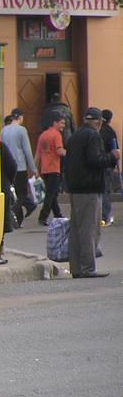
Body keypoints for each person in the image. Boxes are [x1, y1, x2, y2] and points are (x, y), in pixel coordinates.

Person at [64, 107, 120, 278]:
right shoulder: (93, 135)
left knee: (76, 229)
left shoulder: (75, 135)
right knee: (89, 228)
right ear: (99, 122)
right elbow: (96, 159)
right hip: (89, 187)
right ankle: (87, 267)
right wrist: (112, 157)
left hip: (75, 187)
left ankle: (76, 267)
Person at [0, 108, 37, 226]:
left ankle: (18, 220)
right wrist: (33, 168)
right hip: (20, 167)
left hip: (6, 166)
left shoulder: (4, 130)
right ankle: (13, 217)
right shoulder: (22, 130)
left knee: (12, 192)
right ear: (20, 118)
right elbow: (27, 150)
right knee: (20, 194)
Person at [33, 113, 66, 226]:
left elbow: (38, 153)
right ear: (55, 122)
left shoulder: (43, 135)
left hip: (45, 168)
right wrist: (71, 153)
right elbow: (60, 151)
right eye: (62, 123)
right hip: (54, 168)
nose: (63, 126)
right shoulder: (56, 135)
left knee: (52, 193)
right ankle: (43, 216)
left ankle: (58, 215)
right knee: (51, 194)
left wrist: (35, 168)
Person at [0, 141, 18, 265]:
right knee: (0, 222)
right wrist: (10, 181)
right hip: (1, 185)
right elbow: (12, 165)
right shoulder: (0, 145)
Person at [98, 109, 118, 226]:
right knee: (105, 190)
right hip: (106, 164)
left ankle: (98, 215)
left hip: (96, 164)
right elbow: (115, 150)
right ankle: (104, 217)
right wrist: (113, 164)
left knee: (97, 191)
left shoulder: (96, 130)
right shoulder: (110, 132)